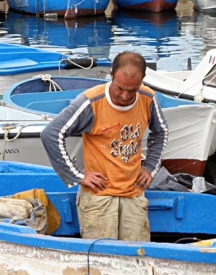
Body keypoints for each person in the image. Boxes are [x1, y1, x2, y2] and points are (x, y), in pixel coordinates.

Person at [41, 51, 168, 242]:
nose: (125, 96)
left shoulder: (147, 98)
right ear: (111, 75)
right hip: (99, 197)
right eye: (120, 88)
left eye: (132, 90)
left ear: (142, 81)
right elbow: (51, 134)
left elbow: (161, 132)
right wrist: (78, 175)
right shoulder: (91, 102)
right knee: (101, 256)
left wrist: (149, 167)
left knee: (137, 255)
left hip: (133, 195)